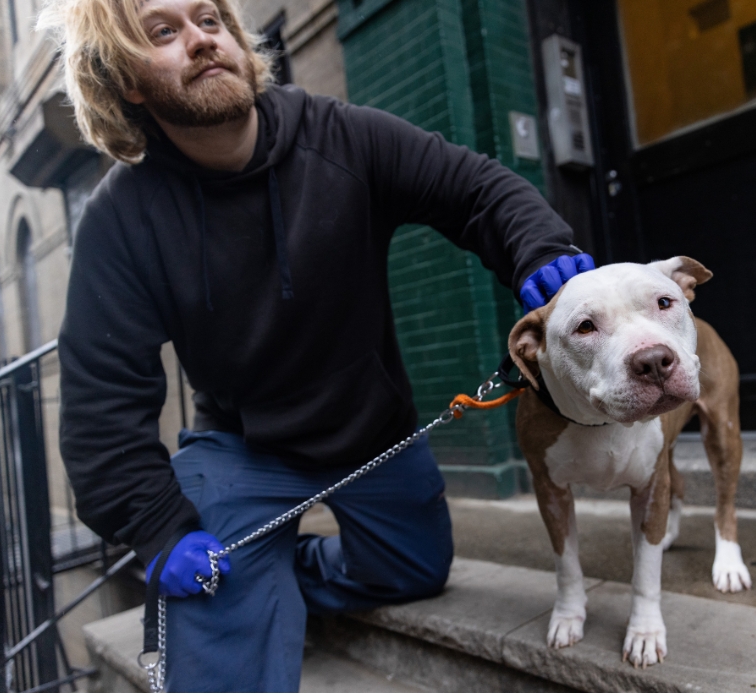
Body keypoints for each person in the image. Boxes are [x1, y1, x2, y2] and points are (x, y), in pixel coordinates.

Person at [39, 0, 593, 689]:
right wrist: (154, 529)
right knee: (210, 590)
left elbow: (472, 188)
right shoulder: (120, 220)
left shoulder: (340, 137)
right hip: (243, 447)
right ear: (126, 80)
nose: (201, 40)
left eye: (210, 21)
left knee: (415, 569)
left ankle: (285, 569)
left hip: (369, 431)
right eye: (164, 31)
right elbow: (100, 404)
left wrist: (539, 249)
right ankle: (246, 581)